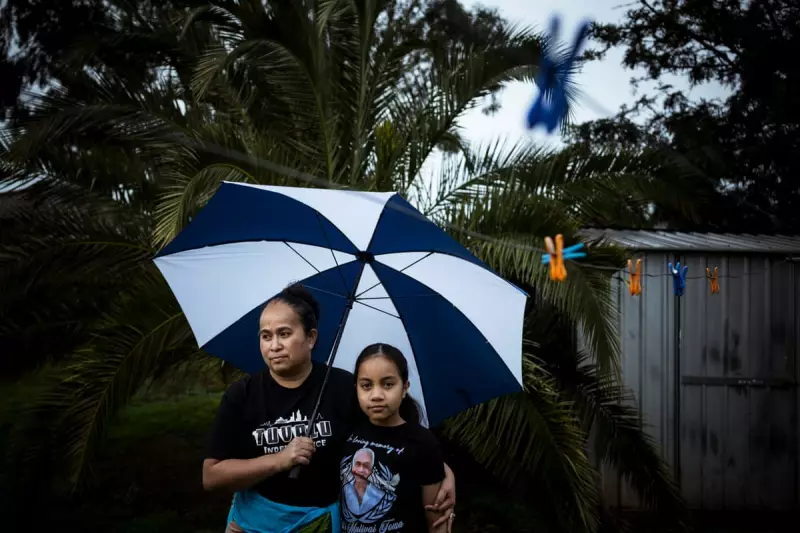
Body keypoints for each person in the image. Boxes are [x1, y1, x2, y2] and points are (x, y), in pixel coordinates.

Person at [202, 283, 456, 532]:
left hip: (320, 523)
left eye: (285, 333)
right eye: (266, 336)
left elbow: (389, 435)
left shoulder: (343, 387)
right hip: (253, 524)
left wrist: (442, 472)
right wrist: (279, 460)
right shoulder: (242, 395)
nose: (274, 346)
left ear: (311, 337)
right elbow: (212, 476)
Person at [339, 343, 452, 533]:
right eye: (366, 385)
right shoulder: (347, 429)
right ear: (356, 388)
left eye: (388, 384)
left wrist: (447, 474)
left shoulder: (422, 442)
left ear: (405, 387)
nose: (376, 395)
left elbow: (437, 521)